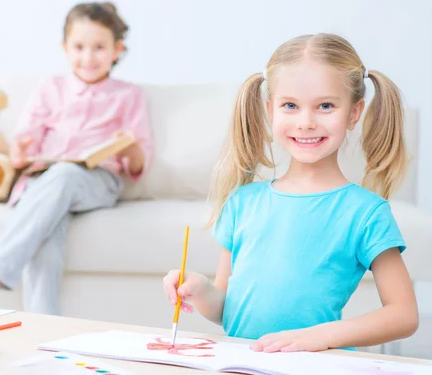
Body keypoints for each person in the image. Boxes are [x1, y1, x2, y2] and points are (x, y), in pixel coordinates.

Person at [163, 33, 418, 352]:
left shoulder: (365, 212)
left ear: (354, 113)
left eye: (325, 105)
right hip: (244, 363)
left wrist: (322, 336)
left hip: (316, 365)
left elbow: (404, 314)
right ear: (271, 111)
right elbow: (225, 310)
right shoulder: (243, 202)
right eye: (290, 106)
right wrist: (200, 289)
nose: (306, 122)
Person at [0, 2, 153, 315]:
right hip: (44, 182)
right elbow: (22, 149)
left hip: (96, 181)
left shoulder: (128, 95)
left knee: (66, 175)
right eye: (79, 47)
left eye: (99, 47)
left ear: (117, 50)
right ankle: (43, 332)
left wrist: (128, 148)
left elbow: (137, 166)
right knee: (46, 242)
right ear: (65, 48)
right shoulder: (50, 88)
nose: (88, 57)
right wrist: (20, 154)